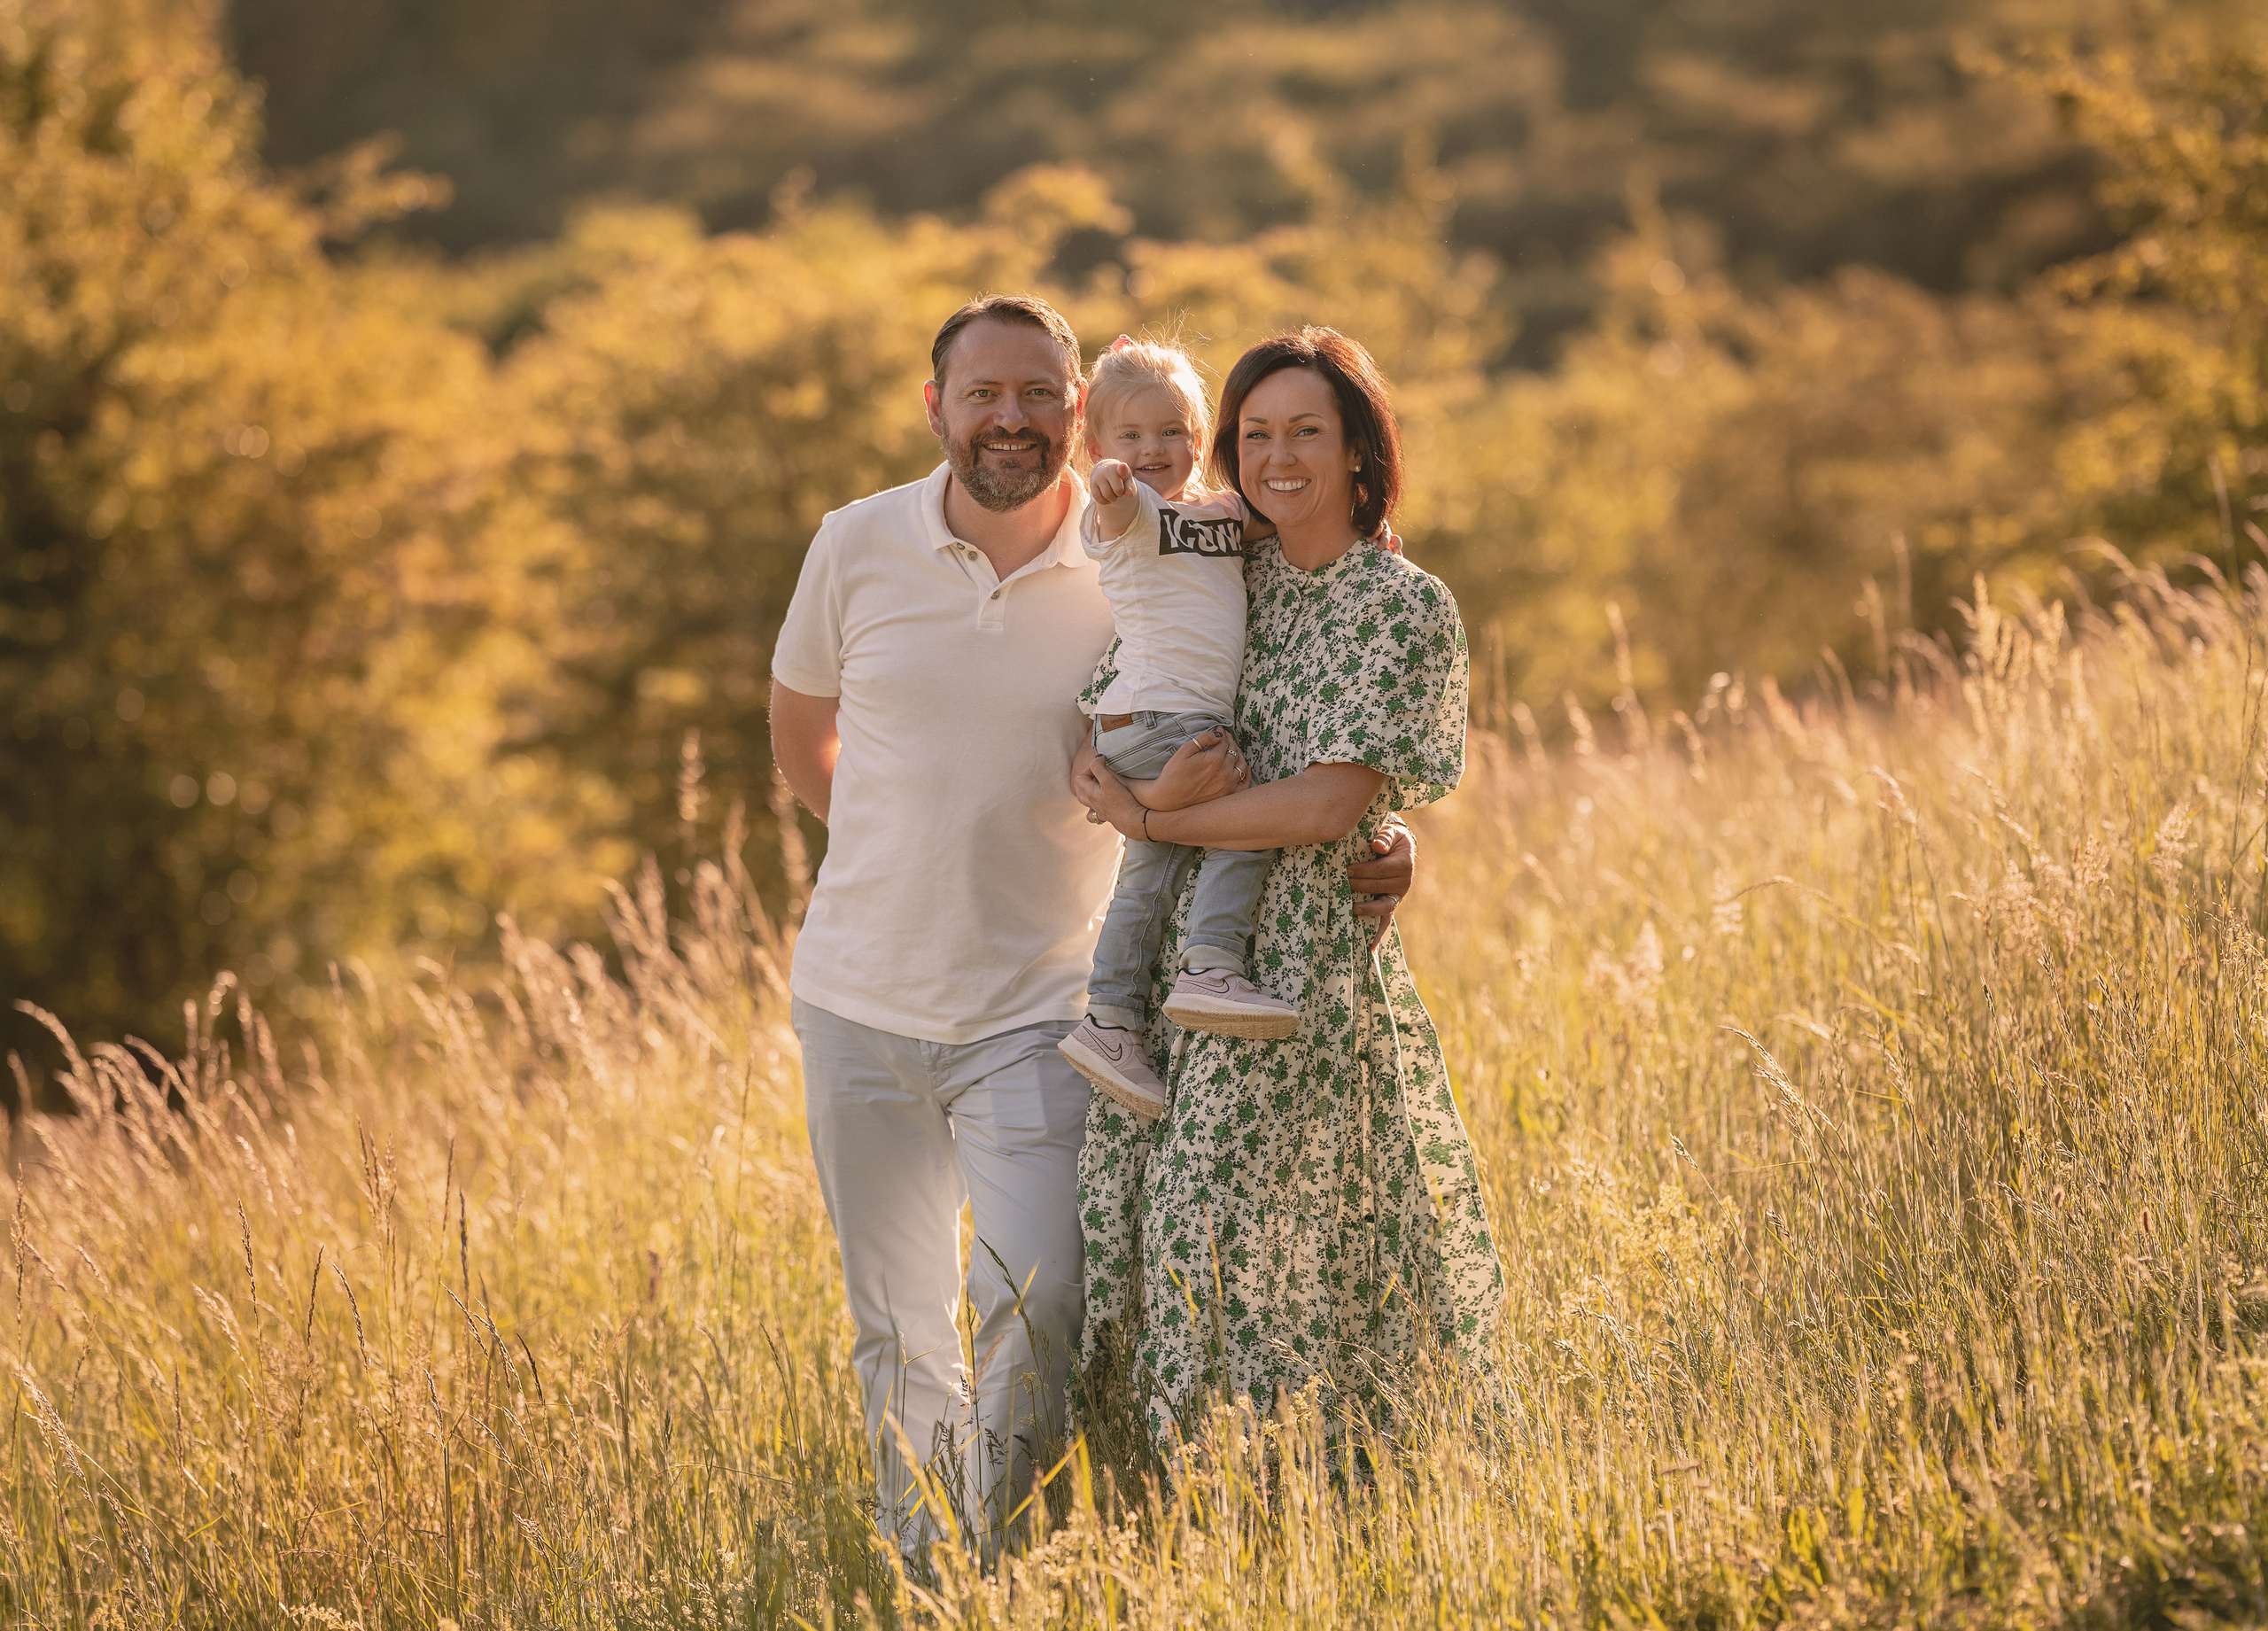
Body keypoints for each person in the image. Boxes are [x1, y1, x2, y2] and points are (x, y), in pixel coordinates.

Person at [767, 296, 1418, 1558]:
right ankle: (928, 1566)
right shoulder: (853, 545)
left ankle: (1003, 1558)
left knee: (1036, 1297)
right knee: (895, 1322)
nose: (1008, 418)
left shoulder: (1159, 551)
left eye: (1035, 397)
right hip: (855, 1004)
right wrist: (897, 857)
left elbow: (1289, 711)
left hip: (1043, 1012)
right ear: (936, 406)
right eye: (980, 395)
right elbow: (805, 736)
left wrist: (1382, 837)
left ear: (1077, 412)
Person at [1074, 327, 1504, 1448]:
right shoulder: (1233, 565)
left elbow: (1321, 806)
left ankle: (1332, 1501)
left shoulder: (1400, 603)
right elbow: (1110, 687)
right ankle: (1184, 1512)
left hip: (1294, 971)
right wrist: (1105, 774)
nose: (1276, 456)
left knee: (1277, 1250)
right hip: (1180, 960)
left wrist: (1156, 818)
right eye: (1255, 433)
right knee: (1167, 1240)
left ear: (1359, 449)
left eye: (1306, 430)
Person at [1058, 337, 1299, 1126]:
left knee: (1149, 876)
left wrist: (1369, 537)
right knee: (1246, 814)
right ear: (1100, 446)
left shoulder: (1221, 512)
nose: (1152, 450)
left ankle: (1112, 1020)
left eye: (1170, 432)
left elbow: (1283, 529)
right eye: (1130, 436)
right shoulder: (1126, 514)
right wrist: (1108, 485)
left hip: (1162, 717)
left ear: (1198, 441)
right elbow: (1114, 504)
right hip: (1156, 715)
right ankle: (1212, 963)